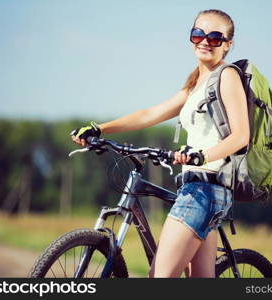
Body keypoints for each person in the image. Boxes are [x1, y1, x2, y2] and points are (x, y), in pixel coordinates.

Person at [71, 9, 249, 278]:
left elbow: (240, 136)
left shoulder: (227, 76)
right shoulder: (197, 82)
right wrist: (100, 128)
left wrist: (201, 155)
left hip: (205, 189)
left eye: (214, 37)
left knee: (159, 278)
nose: (204, 41)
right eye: (198, 34)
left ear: (227, 44)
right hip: (198, 187)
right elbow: (151, 114)